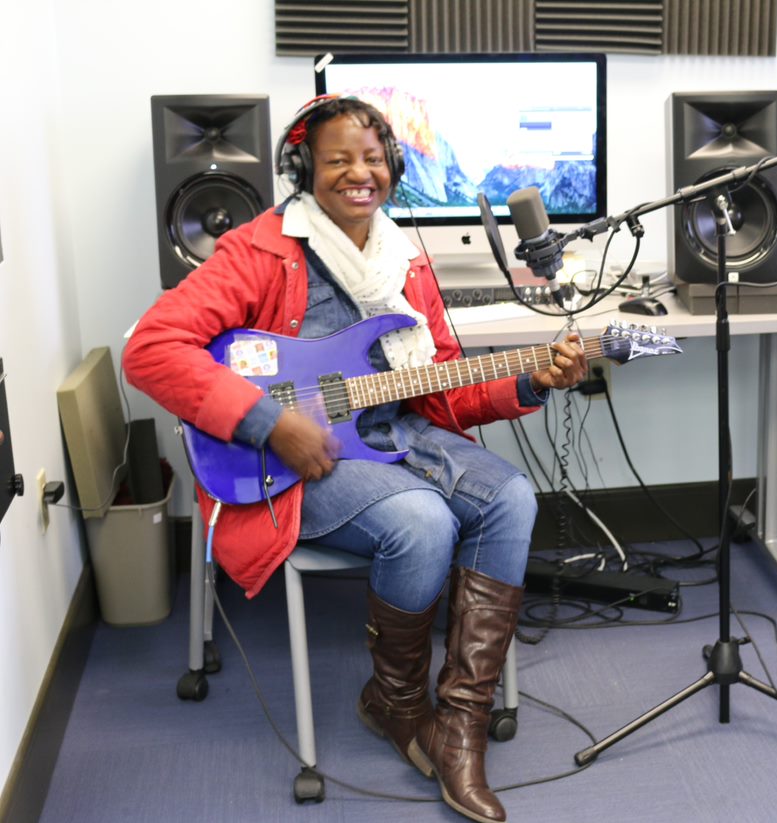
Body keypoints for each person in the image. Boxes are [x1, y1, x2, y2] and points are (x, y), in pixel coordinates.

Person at [123, 95, 587, 823]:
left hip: (393, 431)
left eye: (372, 158)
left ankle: (459, 724)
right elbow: (150, 350)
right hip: (288, 457)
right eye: (338, 158)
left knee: (512, 497)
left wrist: (531, 379)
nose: (358, 173)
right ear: (305, 167)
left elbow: (440, 390)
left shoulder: (404, 259)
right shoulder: (259, 248)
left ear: (393, 168)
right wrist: (270, 421)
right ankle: (400, 706)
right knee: (422, 522)